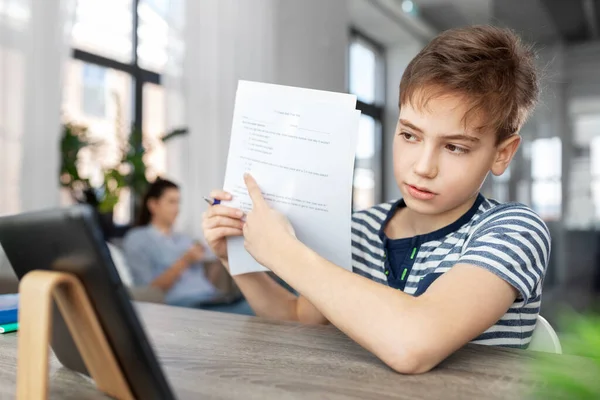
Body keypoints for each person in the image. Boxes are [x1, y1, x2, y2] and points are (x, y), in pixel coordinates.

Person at [202, 25, 551, 374]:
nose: (423, 167)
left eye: (455, 147)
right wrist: (238, 261)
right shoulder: (358, 228)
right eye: (410, 135)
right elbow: (301, 321)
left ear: (502, 154)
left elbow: (413, 343)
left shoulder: (514, 231)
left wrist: (283, 252)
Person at [123, 178, 249, 312]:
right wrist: (185, 260)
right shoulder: (137, 239)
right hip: (186, 304)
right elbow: (149, 291)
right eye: (171, 202)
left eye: (178, 202)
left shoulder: (185, 238)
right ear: (153, 205)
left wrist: (219, 254)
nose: (177, 208)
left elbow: (206, 278)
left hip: (212, 298)